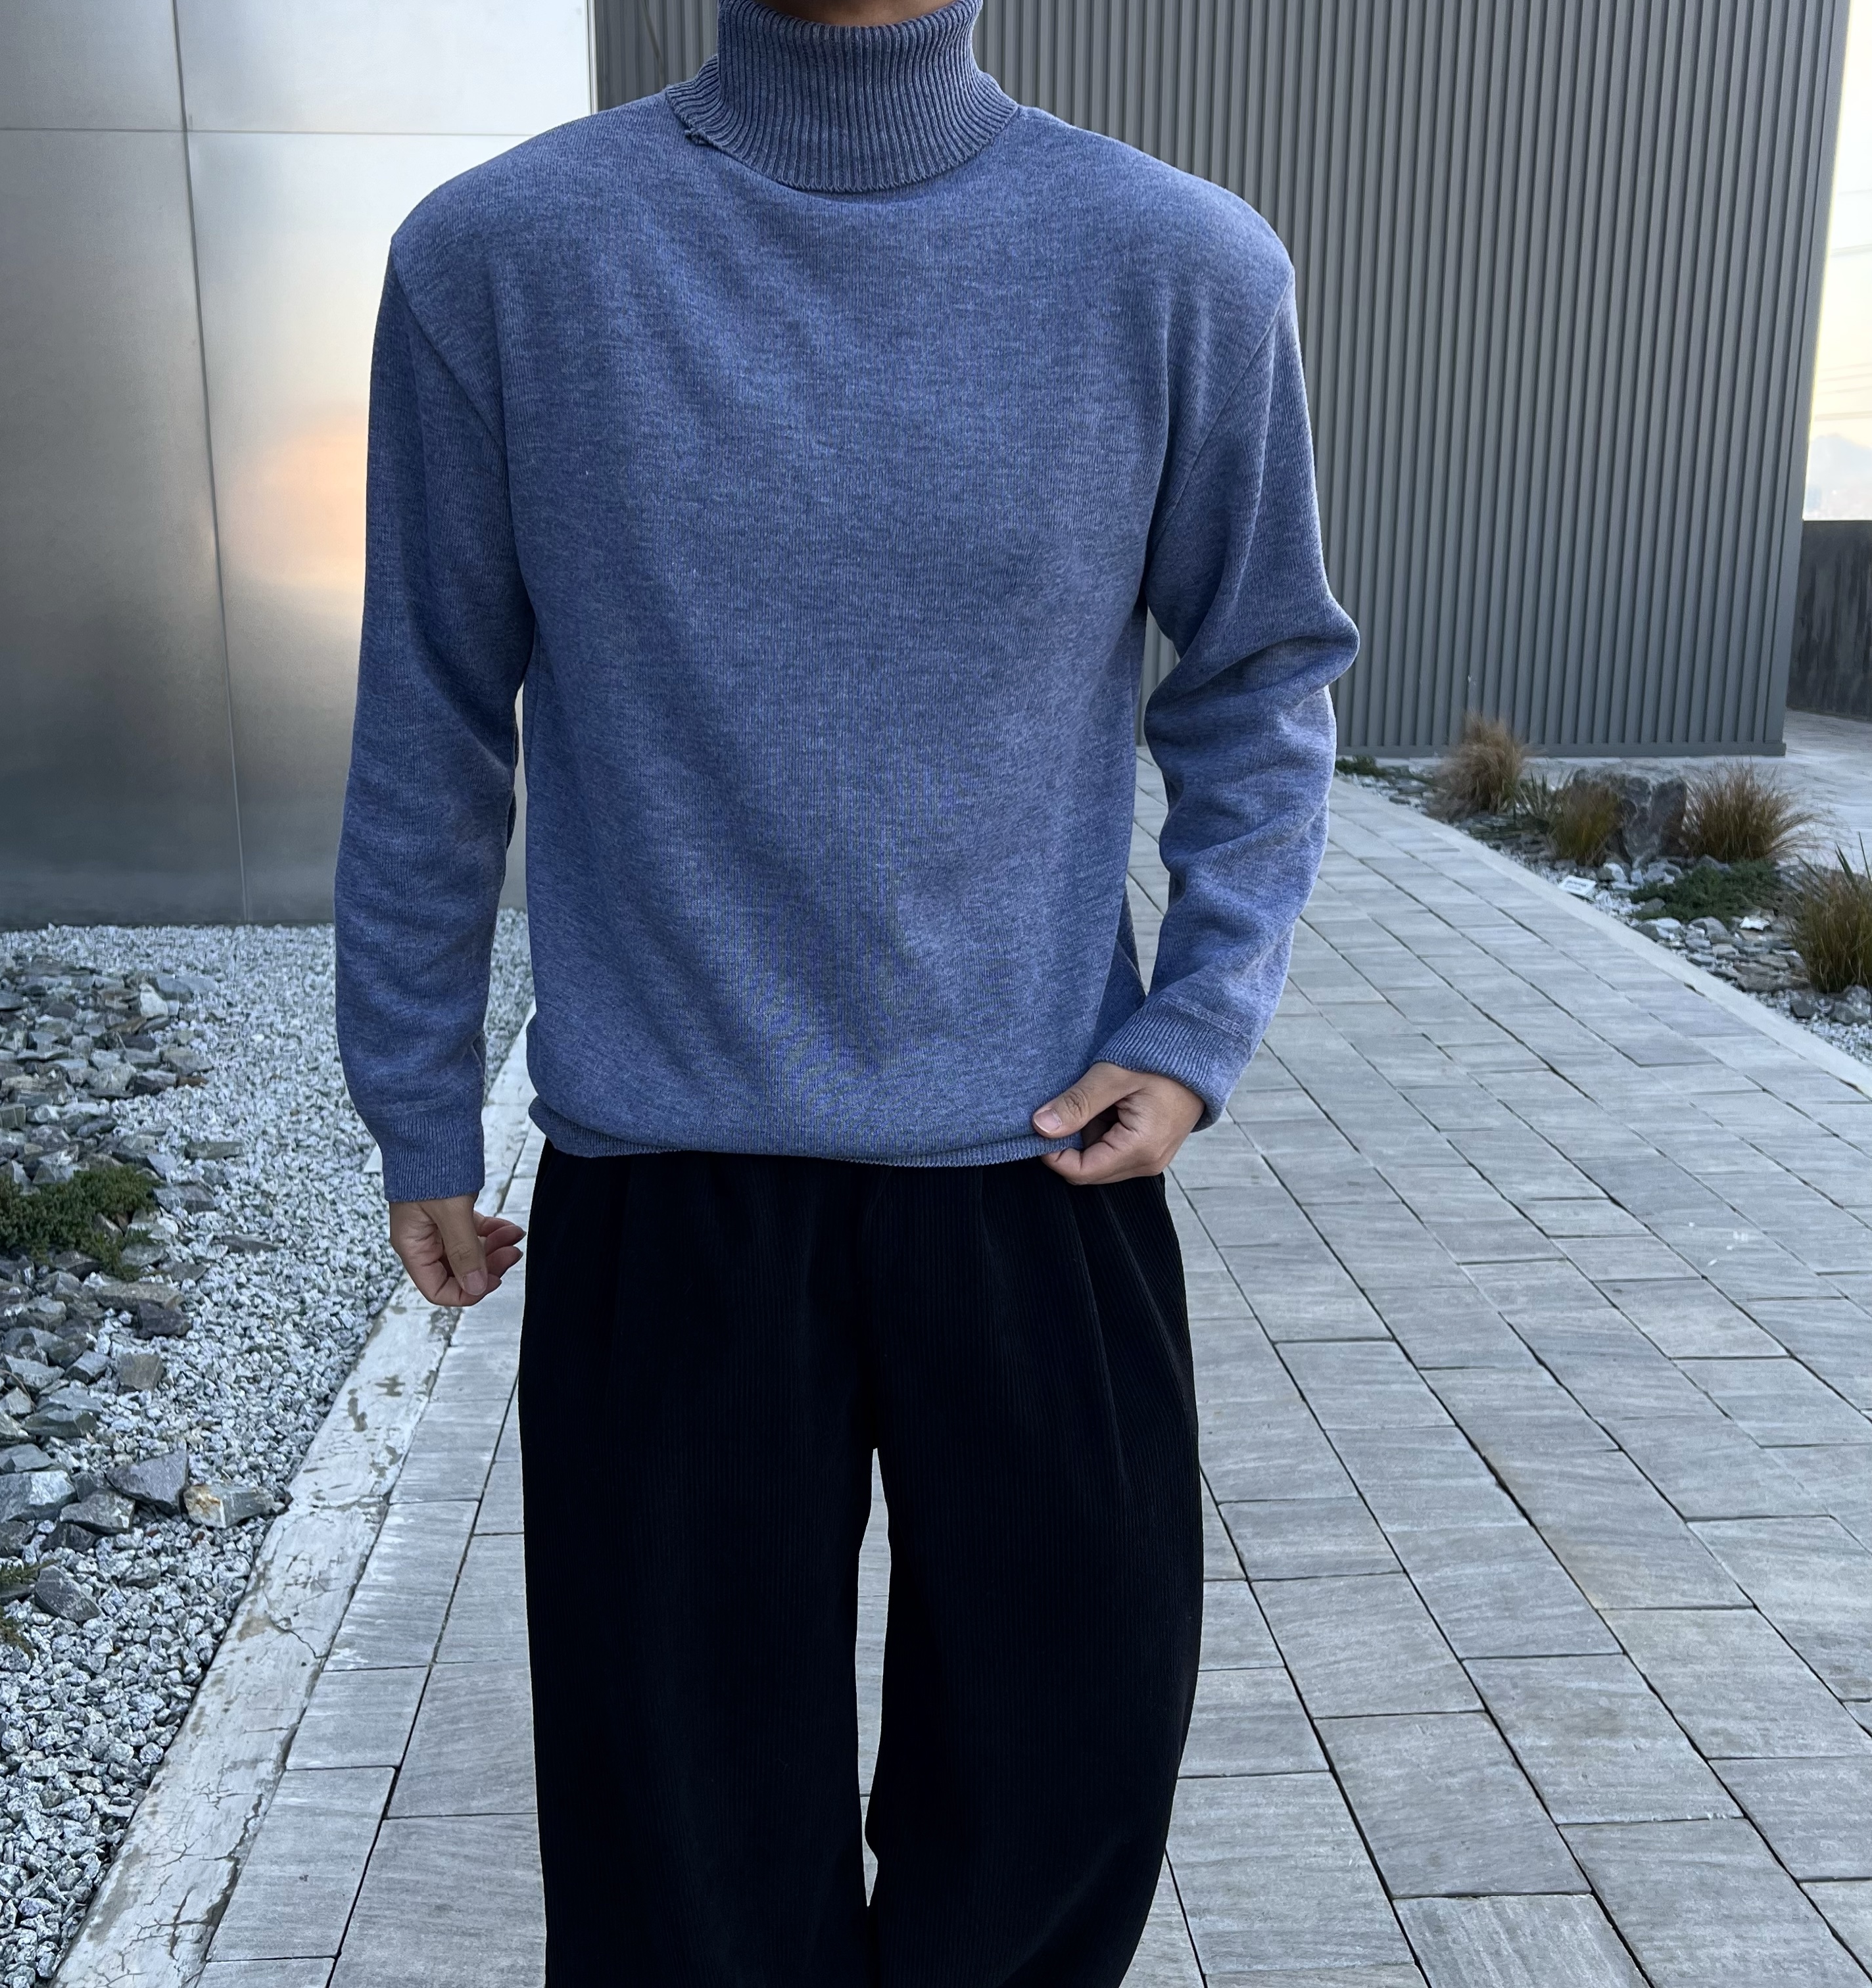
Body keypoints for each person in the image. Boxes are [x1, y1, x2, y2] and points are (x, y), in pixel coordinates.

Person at [335, 0, 1357, 1978]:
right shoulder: (505, 259)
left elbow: (1260, 676)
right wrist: (418, 1101)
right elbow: (432, 712)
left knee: (1065, 1800)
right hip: (669, 1195)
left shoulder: (1174, 265)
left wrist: (1197, 1025)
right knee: (680, 1876)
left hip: (1041, 1174)